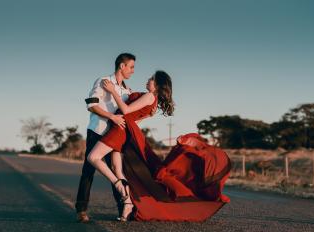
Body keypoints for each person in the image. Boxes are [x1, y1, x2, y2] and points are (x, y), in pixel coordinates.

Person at [88, 71, 232, 222]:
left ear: (157, 85)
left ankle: (120, 187)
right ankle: (128, 203)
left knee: (93, 157)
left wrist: (112, 91)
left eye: (151, 79)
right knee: (116, 168)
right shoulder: (154, 103)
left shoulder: (150, 96)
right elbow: (136, 119)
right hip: (124, 130)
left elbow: (126, 110)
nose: (148, 80)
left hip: (119, 129)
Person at [75, 53, 135, 223]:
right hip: (98, 131)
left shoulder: (127, 90)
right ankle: (81, 209)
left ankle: (123, 208)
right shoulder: (102, 81)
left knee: (116, 170)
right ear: (122, 66)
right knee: (89, 170)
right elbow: (91, 105)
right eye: (131, 67)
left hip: (115, 136)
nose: (132, 71)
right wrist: (112, 117)